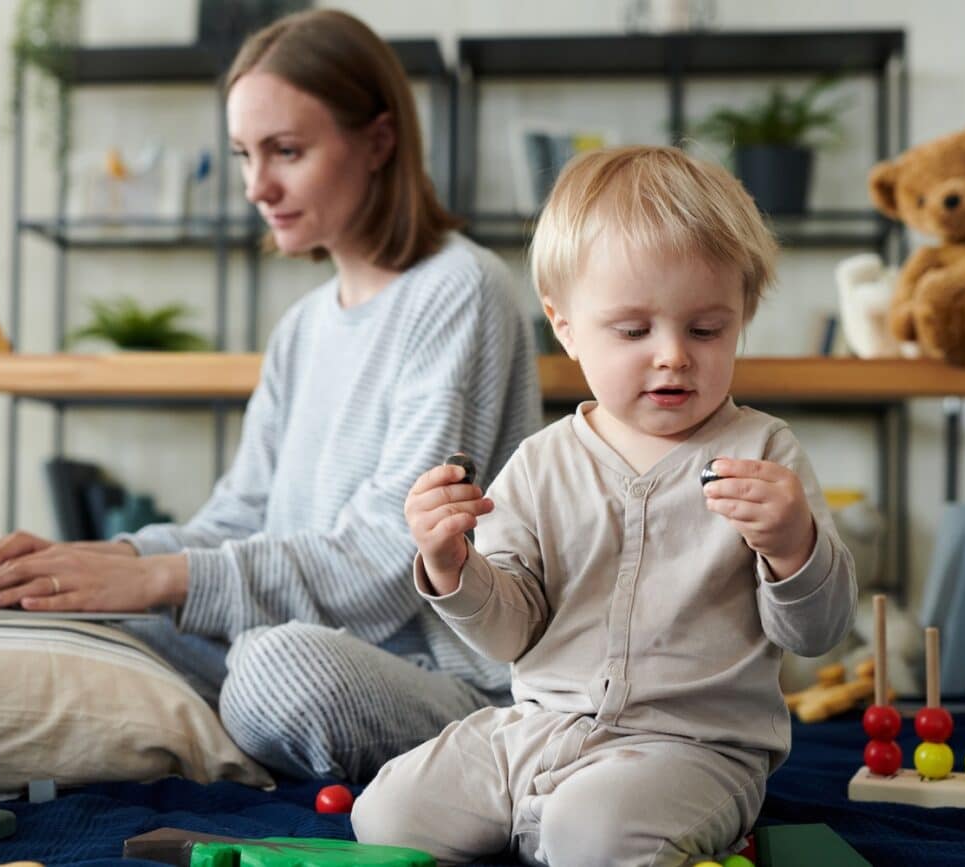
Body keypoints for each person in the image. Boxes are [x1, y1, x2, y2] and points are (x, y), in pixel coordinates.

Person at [0, 9, 541, 782]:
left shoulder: (461, 291)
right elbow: (238, 517)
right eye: (245, 155)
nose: (257, 186)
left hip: (429, 672)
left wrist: (161, 580)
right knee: (44, 615)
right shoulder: (302, 327)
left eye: (286, 151)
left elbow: (389, 561)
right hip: (282, 633)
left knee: (274, 669)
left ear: (379, 141)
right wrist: (89, 561)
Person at [351, 145, 857, 865]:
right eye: (633, 330)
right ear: (565, 326)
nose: (673, 355)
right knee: (386, 813)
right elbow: (508, 633)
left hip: (693, 748)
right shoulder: (539, 461)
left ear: (741, 315)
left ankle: (578, 829)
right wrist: (451, 563)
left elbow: (818, 631)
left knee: (593, 831)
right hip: (535, 731)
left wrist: (792, 546)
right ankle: (547, 822)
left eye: (706, 329)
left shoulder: (765, 454)